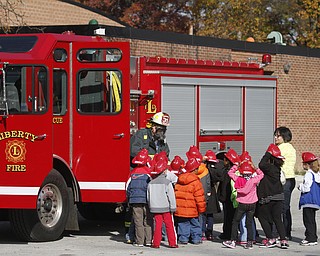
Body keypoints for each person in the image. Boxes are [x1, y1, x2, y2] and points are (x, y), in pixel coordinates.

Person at [222, 161, 264, 249]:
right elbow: (261, 174)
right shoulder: (253, 180)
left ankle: (233, 241)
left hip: (242, 203)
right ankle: (250, 242)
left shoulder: (238, 179)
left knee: (235, 221)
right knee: (249, 223)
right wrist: (255, 167)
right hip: (252, 204)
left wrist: (236, 165)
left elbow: (230, 172)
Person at [257, 144, 289, 249]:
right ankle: (283, 240)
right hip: (278, 197)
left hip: (268, 198)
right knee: (277, 219)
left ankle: (271, 238)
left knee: (262, 217)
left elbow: (261, 164)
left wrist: (268, 153)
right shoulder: (277, 169)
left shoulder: (269, 168)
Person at [174, 158, 206, 245]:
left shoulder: (179, 179)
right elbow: (199, 197)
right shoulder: (196, 182)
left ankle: (183, 239)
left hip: (180, 208)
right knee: (195, 224)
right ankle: (196, 239)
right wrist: (201, 209)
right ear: (194, 169)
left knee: (182, 224)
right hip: (193, 209)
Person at [147, 159, 178, 249]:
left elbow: (148, 197)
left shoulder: (150, 183)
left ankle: (156, 243)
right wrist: (173, 207)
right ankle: (172, 243)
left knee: (157, 225)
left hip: (155, 207)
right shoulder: (167, 182)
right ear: (164, 171)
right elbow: (171, 197)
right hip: (166, 207)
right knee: (169, 225)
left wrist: (151, 206)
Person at [126, 149, 153, 247]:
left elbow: (127, 188)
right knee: (148, 221)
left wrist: (129, 198)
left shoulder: (132, 173)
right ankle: (149, 241)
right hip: (147, 200)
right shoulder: (149, 173)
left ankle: (139, 241)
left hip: (135, 201)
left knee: (138, 222)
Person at [274, 126, 296, 240]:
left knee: (281, 207)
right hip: (290, 179)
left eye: (278, 135)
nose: (275, 137)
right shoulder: (291, 147)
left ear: (284, 136)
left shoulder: (281, 148)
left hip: (284, 180)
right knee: (285, 207)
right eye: (275, 135)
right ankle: (286, 232)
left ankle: (283, 233)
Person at [185, 146, 210, 241]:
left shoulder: (188, 170)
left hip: (190, 197)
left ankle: (189, 236)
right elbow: (208, 185)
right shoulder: (205, 170)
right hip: (202, 197)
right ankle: (200, 234)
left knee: (189, 217)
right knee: (200, 217)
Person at [217, 148, 240, 240]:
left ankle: (228, 234)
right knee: (232, 217)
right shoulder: (236, 171)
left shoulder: (227, 173)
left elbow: (224, 187)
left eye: (225, 159)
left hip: (228, 198)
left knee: (228, 217)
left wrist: (222, 197)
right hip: (234, 198)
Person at [298, 152, 320, 246]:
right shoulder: (317, 174)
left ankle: (310, 238)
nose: (302, 165)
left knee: (307, 220)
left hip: (308, 200)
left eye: (303, 163)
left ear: (307, 164)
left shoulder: (308, 174)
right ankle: (313, 237)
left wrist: (300, 186)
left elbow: (307, 187)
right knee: (312, 220)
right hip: (315, 201)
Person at [202, 150, 221, 241]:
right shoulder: (215, 169)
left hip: (203, 192)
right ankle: (209, 233)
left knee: (203, 215)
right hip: (212, 194)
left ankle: (203, 232)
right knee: (210, 215)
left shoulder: (202, 169)